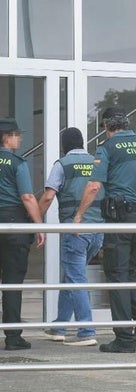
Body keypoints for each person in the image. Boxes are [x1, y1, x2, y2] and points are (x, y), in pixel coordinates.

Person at [74, 106, 136, 353]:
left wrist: (79, 216)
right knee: (131, 271)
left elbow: (93, 186)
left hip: (121, 218)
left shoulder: (108, 147)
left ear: (107, 127)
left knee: (116, 273)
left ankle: (124, 337)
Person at [39, 127, 104, 346]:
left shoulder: (62, 164)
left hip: (75, 230)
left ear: (63, 145)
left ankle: (86, 331)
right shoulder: (97, 162)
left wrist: (35, 220)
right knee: (71, 276)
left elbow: (48, 197)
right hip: (97, 232)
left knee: (76, 279)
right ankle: (59, 327)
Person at [0, 118, 45, 350]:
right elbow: (27, 197)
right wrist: (39, 226)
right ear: (6, 137)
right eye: (17, 134)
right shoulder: (17, 162)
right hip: (12, 224)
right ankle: (13, 337)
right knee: (12, 282)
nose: (20, 138)